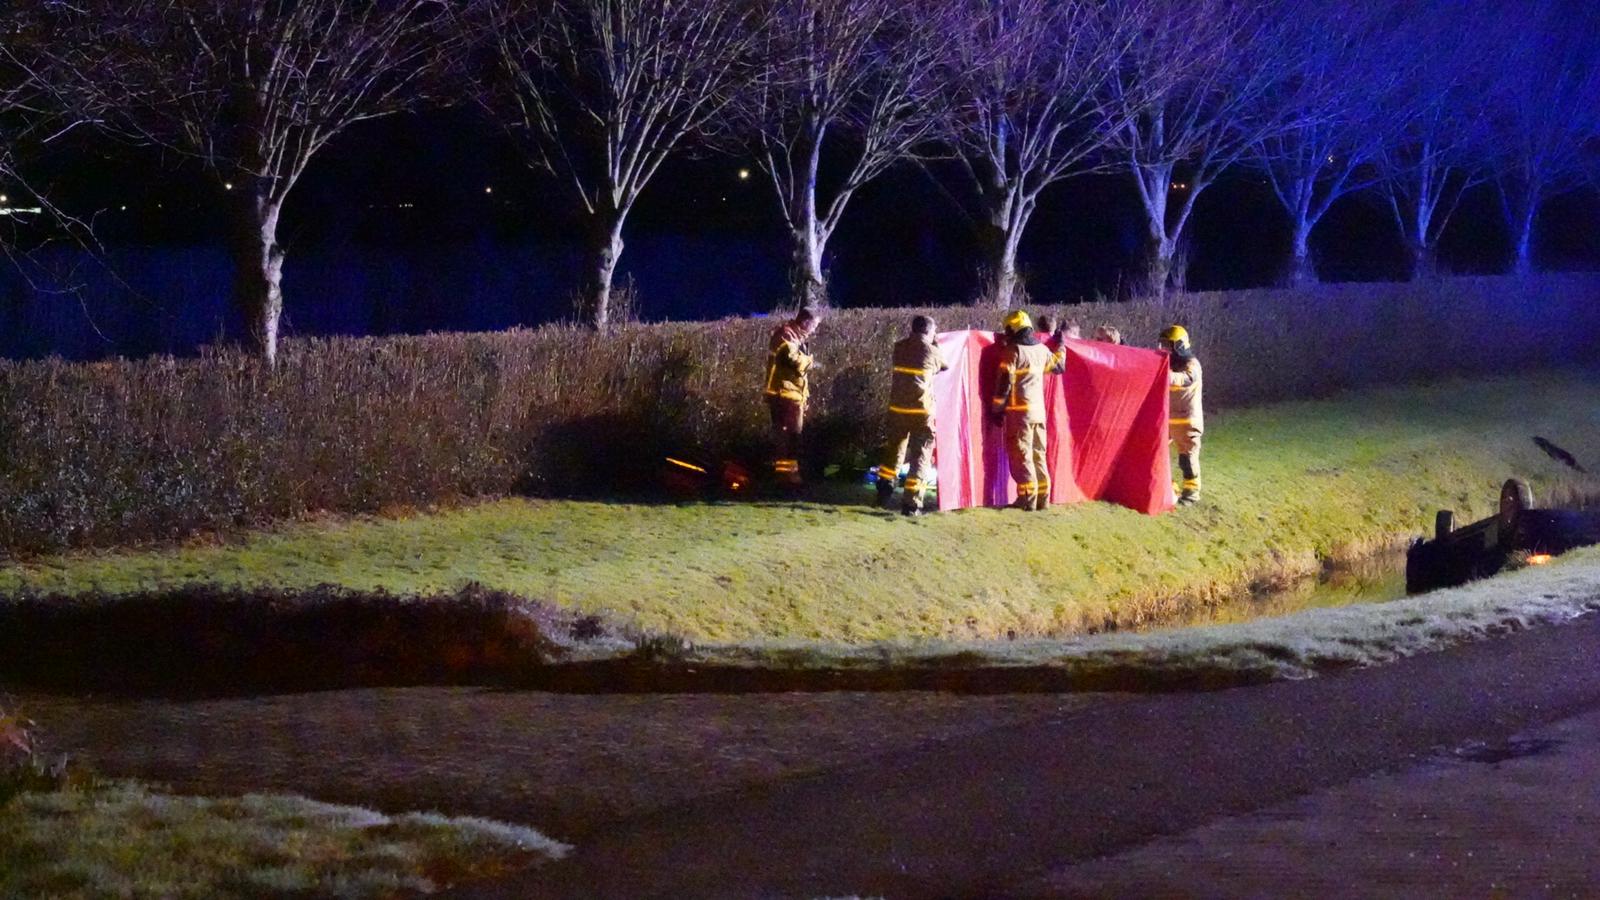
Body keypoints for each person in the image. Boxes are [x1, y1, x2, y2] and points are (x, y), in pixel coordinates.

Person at [990, 310, 1066, 511]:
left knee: (1021, 455)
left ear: (1011, 329)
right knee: (1038, 454)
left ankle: (1027, 499)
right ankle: (1043, 499)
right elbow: (1059, 367)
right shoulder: (1041, 350)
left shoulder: (1012, 352)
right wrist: (1060, 345)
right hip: (1039, 412)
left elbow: (1003, 384)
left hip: (1019, 413)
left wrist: (997, 410)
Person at [876, 315, 948, 516]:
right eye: (933, 331)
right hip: (920, 412)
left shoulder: (899, 348)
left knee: (894, 450)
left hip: (898, 409)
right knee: (921, 455)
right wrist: (936, 344)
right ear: (928, 331)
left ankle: (884, 489)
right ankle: (911, 504)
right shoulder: (932, 351)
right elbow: (946, 365)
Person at [763, 307, 820, 488]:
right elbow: (794, 361)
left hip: (790, 394)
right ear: (806, 322)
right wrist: (810, 361)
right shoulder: (786, 336)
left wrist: (804, 397)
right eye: (814, 325)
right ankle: (786, 478)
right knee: (789, 437)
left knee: (789, 438)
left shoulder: (794, 336)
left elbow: (799, 376)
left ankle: (787, 476)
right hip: (784, 394)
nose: (814, 330)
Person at [1159, 324, 1204, 505]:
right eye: (1163, 345)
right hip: (1167, 421)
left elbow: (1184, 380)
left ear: (1179, 346)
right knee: (1157, 453)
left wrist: (1164, 375)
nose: (1165, 350)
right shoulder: (1168, 364)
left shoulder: (1193, 366)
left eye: (1168, 345)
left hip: (1187, 422)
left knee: (1187, 459)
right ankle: (1168, 487)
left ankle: (1191, 493)